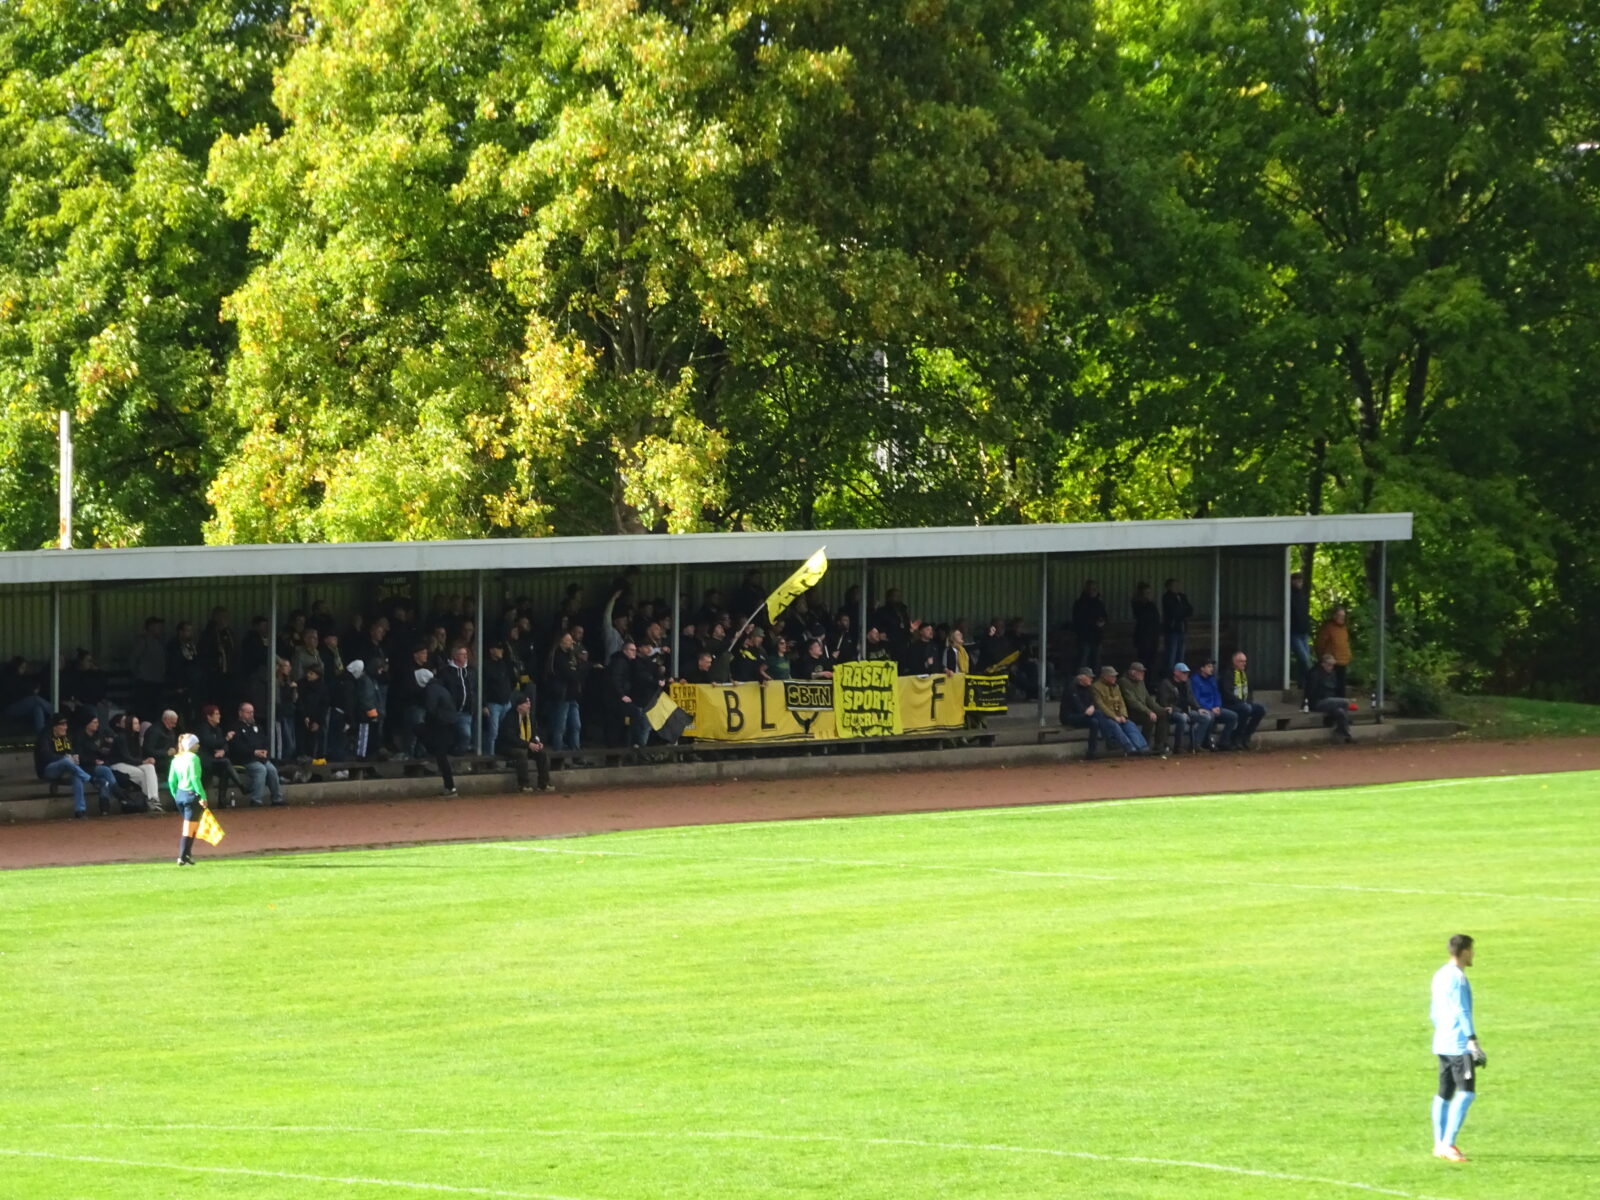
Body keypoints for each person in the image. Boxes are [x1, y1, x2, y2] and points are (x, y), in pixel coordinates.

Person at [1430, 934, 1486, 1162]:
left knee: (1444, 1093)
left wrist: (1441, 1030)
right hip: (1458, 1044)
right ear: (1463, 952)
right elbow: (1462, 1010)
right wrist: (1472, 1041)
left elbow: (1433, 1010)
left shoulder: (1439, 975)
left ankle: (1438, 1143)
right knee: (1466, 1093)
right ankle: (1449, 1144)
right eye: (1471, 950)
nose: (1473, 954)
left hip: (1441, 1041)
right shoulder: (1458, 978)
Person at [35, 714, 98, 818]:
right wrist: (64, 758)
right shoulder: (44, 737)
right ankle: (89, 778)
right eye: (63, 725)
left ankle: (80, 810)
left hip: (65, 769)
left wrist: (74, 757)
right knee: (65, 761)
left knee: (76, 776)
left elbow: (71, 751)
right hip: (47, 769)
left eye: (66, 725)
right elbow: (45, 756)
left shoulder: (65, 737)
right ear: (55, 726)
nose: (66, 727)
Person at [102, 712, 162, 811]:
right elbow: (126, 757)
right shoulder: (121, 737)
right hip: (117, 764)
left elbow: (137, 756)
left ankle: (154, 799)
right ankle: (150, 802)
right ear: (129, 724)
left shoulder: (135, 737)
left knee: (150, 767)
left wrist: (146, 761)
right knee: (142, 774)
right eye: (135, 723)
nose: (138, 725)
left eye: (138, 723)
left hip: (132, 763)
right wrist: (143, 762)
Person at [228, 701, 284, 806]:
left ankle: (277, 798)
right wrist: (254, 752)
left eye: (252, 712)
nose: (251, 715)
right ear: (240, 713)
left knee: (272, 770)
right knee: (261, 770)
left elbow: (265, 741)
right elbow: (236, 747)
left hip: (261, 758)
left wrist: (265, 750)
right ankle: (256, 800)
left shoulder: (257, 727)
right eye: (248, 712)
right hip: (245, 759)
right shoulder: (235, 727)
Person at [498, 693, 553, 793]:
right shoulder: (510, 717)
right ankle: (523, 785)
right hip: (508, 746)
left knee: (542, 753)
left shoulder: (530, 716)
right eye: (526, 703)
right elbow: (510, 738)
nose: (529, 705)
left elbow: (534, 732)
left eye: (529, 702)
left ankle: (544, 784)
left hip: (525, 744)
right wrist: (528, 745)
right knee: (521, 754)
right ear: (519, 706)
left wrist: (537, 742)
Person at [169, 733, 209, 866]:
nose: (198, 745)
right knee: (189, 828)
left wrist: (176, 795)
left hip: (180, 794)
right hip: (191, 795)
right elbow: (195, 778)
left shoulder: (176, 759)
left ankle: (187, 854)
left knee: (192, 826)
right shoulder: (193, 758)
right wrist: (202, 796)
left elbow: (171, 781)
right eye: (196, 743)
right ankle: (182, 856)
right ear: (191, 745)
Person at [417, 668, 459, 795]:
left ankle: (450, 787)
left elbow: (431, 709)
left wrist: (428, 722)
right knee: (441, 755)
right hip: (448, 724)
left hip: (442, 725)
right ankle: (449, 787)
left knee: (441, 756)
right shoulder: (440, 687)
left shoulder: (431, 689)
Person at [1091, 665, 1149, 754]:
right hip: (1105, 716)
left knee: (1130, 724)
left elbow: (1121, 702)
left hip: (1118, 714)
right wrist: (1114, 717)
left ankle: (1142, 747)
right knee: (1114, 725)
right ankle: (1129, 747)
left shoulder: (1116, 687)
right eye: (1112, 676)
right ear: (1105, 676)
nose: (1115, 678)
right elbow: (1100, 705)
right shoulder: (1095, 687)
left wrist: (1123, 715)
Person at [198, 704, 246, 806]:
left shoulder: (218, 729)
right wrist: (226, 739)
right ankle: (241, 786)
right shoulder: (203, 729)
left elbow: (224, 745)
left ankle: (222, 801)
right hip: (205, 761)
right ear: (209, 717)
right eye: (216, 714)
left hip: (215, 760)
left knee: (225, 770)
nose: (219, 716)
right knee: (226, 762)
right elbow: (209, 743)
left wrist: (223, 751)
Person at [1118, 661, 1169, 756]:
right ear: (1133, 672)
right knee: (1149, 719)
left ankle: (1159, 745)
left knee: (1163, 715)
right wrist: (1149, 711)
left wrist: (1161, 709)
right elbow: (1132, 702)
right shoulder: (1124, 682)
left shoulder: (1141, 682)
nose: (1143, 674)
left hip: (1143, 710)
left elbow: (1148, 699)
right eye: (1140, 672)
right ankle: (1144, 746)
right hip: (1130, 712)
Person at [1060, 666, 1110, 759]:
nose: (1091, 679)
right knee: (1098, 714)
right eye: (1089, 677)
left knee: (1094, 722)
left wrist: (1092, 707)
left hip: (1085, 715)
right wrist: (1088, 710)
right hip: (1069, 717)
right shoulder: (1071, 688)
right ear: (1081, 677)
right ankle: (1109, 738)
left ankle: (1091, 752)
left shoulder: (1088, 688)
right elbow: (1078, 707)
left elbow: (1094, 702)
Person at [1304, 652, 1355, 742]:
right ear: (1323, 664)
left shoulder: (1332, 674)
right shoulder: (1315, 674)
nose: (1331, 667)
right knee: (1345, 702)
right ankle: (1346, 724)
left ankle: (1345, 735)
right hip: (1318, 701)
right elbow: (1311, 692)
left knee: (1340, 712)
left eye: (1332, 665)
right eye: (1329, 665)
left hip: (1330, 701)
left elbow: (1334, 690)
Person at [1221, 650, 1267, 749]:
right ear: (1235, 662)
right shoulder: (1228, 674)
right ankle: (1237, 736)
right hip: (1230, 704)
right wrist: (1241, 702)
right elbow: (1227, 693)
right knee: (1245, 709)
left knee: (1260, 709)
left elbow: (1249, 691)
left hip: (1244, 702)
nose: (1244, 664)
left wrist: (1248, 701)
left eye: (1245, 661)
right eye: (1241, 661)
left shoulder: (1245, 674)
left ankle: (1246, 735)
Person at [1189, 659, 1239, 750]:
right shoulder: (1195, 680)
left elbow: (1217, 694)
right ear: (1202, 668)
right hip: (1204, 708)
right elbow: (1197, 698)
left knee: (1233, 716)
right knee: (1209, 716)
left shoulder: (1212, 679)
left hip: (1215, 707)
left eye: (1212, 666)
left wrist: (1217, 706)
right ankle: (1206, 741)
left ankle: (1224, 741)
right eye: (1209, 666)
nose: (1211, 669)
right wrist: (1210, 708)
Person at [1156, 663, 1201, 753]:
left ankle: (1196, 745)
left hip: (1186, 710)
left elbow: (1190, 698)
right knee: (1182, 718)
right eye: (1184, 673)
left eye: (1187, 673)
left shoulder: (1187, 682)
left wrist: (1198, 708)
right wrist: (1180, 711)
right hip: (1171, 710)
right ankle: (1178, 747)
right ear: (1176, 672)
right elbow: (1164, 703)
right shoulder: (1166, 683)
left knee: (1205, 717)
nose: (1186, 675)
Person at [3, 656, 52, 734]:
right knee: (35, 699)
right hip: (10, 708)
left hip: (21, 705)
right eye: (22, 667)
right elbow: (15, 694)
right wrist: (32, 692)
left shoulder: (22, 677)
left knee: (37, 708)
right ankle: (56, 712)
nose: (24, 669)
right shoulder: (8, 678)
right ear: (16, 667)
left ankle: (42, 736)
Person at [1315, 605, 1353, 695]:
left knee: (1341, 682)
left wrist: (1348, 655)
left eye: (1343, 616)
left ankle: (1340, 701)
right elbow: (1320, 643)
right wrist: (1322, 656)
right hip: (1331, 659)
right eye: (1340, 615)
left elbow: (1345, 642)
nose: (1342, 618)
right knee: (1331, 682)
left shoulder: (1344, 628)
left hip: (1343, 659)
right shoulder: (1328, 627)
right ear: (1334, 615)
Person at [1071, 580, 1107, 671]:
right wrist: (1093, 623)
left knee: (1096, 662)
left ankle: (1095, 682)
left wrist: (1102, 622)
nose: (1092, 591)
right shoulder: (1080, 603)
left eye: (1094, 589)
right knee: (1083, 661)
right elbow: (1078, 620)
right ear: (1086, 590)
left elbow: (1105, 616)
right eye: (1090, 589)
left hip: (1096, 637)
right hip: (1084, 637)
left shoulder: (1099, 603)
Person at [1162, 579, 1194, 671]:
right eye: (1174, 586)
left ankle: (1180, 674)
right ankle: (1170, 675)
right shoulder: (1167, 597)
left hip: (1183, 629)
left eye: (1178, 585)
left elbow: (1190, 610)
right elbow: (1174, 612)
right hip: (1172, 630)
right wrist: (1183, 609)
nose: (1177, 588)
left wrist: (1182, 610)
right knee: (1171, 655)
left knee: (1181, 656)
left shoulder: (1182, 596)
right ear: (1168, 587)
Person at [1131, 583, 1161, 672]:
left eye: (1149, 593)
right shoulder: (1137, 604)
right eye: (1146, 593)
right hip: (1143, 636)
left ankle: (1150, 680)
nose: (1148, 595)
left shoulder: (1152, 604)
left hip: (1153, 635)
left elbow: (1156, 618)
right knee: (1143, 659)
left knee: (1152, 659)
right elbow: (1142, 617)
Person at [1289, 571, 1312, 682]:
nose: (1299, 583)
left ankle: (1302, 682)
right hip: (1295, 632)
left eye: (1301, 581)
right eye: (1297, 580)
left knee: (1304, 659)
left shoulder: (1301, 596)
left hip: (1303, 631)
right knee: (1305, 659)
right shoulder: (1290, 595)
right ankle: (1310, 680)